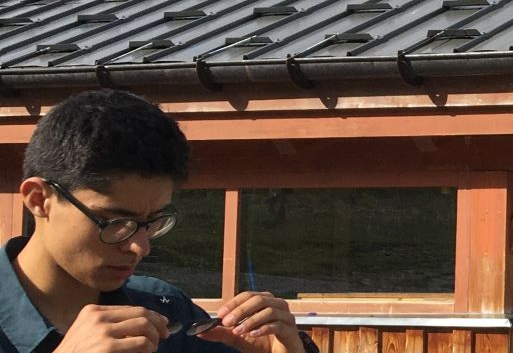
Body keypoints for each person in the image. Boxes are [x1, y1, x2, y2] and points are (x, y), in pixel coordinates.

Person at [1, 90, 318, 353]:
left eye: (152, 221)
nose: (140, 246)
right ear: (39, 199)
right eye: (114, 222)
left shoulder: (166, 313)